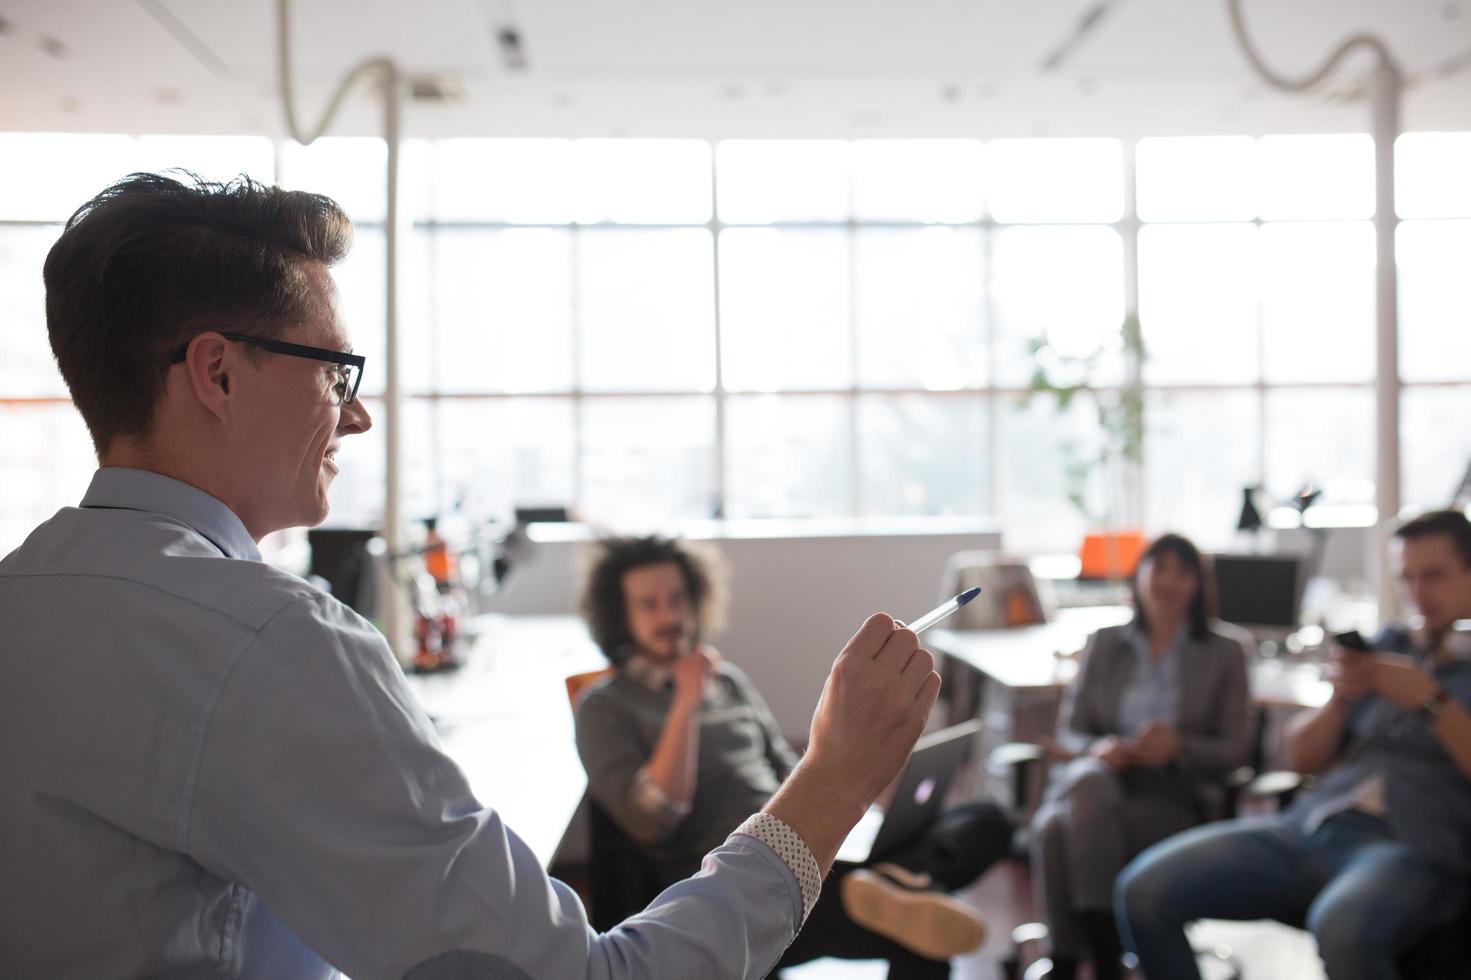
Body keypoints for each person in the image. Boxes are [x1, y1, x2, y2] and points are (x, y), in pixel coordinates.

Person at [0, 172, 945, 980]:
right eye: (337, 372)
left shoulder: (24, 597)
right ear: (217, 374)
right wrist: (835, 778)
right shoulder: (262, 638)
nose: (356, 416)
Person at [573, 535, 1016, 979]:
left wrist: (854, 806)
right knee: (922, 927)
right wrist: (686, 701)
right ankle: (906, 878)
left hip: (805, 839)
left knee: (987, 819)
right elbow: (653, 820)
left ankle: (902, 877)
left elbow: (788, 769)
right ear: (620, 615)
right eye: (648, 604)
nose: (669, 615)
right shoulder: (604, 706)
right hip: (737, 883)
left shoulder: (726, 681)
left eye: (677, 598)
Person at [1117, 510, 1471, 980]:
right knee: (1142, 890)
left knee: (1342, 927)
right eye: (1405, 579)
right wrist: (1342, 699)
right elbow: (1298, 757)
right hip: (1314, 824)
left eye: (1433, 577)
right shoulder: (1391, 644)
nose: (1417, 595)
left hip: (1413, 847)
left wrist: (1430, 700)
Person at [1029, 533, 1251, 980]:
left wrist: (1179, 746)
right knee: (1086, 786)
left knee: (1054, 826)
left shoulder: (1225, 652)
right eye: (1159, 566)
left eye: (1182, 571)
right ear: (1139, 574)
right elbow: (1071, 730)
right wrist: (1101, 748)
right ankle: (1101, 951)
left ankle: (1072, 959)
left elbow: (1236, 749)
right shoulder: (1105, 642)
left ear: (1198, 585)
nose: (1169, 580)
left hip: (1171, 790)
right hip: (1101, 779)